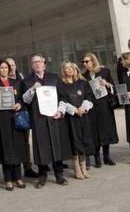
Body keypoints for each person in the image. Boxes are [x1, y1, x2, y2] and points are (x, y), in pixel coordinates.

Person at [20, 54, 70, 187]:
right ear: (31, 65)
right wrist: (31, 89)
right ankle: (42, 176)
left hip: (54, 117)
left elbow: (63, 97)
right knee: (41, 146)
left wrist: (60, 111)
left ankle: (59, 175)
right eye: (34, 62)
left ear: (44, 64)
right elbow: (25, 100)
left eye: (39, 61)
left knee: (56, 145)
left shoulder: (54, 78)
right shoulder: (26, 81)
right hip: (38, 118)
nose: (37, 64)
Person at [0, 59, 25, 190]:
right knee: (6, 147)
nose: (4, 70)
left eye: (6, 67)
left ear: (9, 69)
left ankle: (18, 177)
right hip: (2, 120)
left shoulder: (17, 83)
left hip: (15, 118)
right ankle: (8, 179)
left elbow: (23, 99)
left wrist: (19, 103)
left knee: (17, 147)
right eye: (1, 68)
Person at [80, 52, 118, 168]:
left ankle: (106, 156)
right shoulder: (83, 77)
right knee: (94, 132)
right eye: (83, 62)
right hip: (91, 107)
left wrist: (106, 84)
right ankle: (96, 157)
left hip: (104, 106)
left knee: (106, 130)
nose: (85, 64)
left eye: (87, 61)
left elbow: (114, 88)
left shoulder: (104, 72)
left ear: (93, 61)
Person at [58, 61, 93, 179]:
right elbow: (61, 100)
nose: (69, 69)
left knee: (83, 140)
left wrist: (83, 107)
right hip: (71, 118)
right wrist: (74, 110)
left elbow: (89, 97)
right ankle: (77, 168)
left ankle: (83, 167)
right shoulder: (61, 85)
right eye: (66, 68)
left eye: (71, 67)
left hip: (83, 116)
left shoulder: (83, 83)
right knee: (74, 141)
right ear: (63, 71)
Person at [6, 57, 36, 180]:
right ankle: (13, 168)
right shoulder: (3, 81)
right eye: (8, 65)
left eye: (13, 65)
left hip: (22, 114)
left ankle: (27, 167)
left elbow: (26, 97)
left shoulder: (22, 79)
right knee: (12, 142)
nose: (11, 67)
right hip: (8, 116)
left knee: (25, 142)